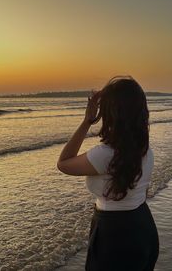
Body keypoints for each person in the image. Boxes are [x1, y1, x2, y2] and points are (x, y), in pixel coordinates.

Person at [57, 75, 159, 271]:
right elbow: (141, 193)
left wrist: (87, 121)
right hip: (143, 227)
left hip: (114, 235)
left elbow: (63, 163)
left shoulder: (104, 155)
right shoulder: (146, 151)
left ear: (110, 112)